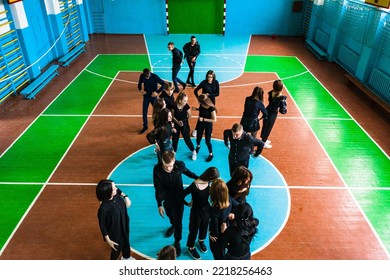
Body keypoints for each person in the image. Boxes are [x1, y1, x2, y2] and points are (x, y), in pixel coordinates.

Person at [153, 151, 198, 257]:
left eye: (170, 166)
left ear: (174, 161)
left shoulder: (180, 165)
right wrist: (159, 204)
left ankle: (177, 241)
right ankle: (173, 225)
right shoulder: (157, 170)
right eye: (166, 166)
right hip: (167, 199)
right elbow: (157, 188)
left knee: (178, 221)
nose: (168, 169)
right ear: (162, 161)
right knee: (170, 216)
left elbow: (188, 172)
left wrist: (200, 178)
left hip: (179, 197)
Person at [180, 167, 220, 259]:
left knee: (204, 227)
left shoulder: (209, 182)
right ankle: (191, 247)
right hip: (196, 212)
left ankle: (201, 240)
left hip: (206, 209)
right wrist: (188, 203)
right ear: (210, 177)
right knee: (193, 230)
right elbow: (180, 196)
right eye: (214, 179)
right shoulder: (194, 185)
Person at [96, 179, 132, 260]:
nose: (116, 188)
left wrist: (125, 197)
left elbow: (118, 190)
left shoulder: (115, 195)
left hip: (124, 224)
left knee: (126, 242)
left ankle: (126, 257)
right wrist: (108, 240)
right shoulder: (104, 208)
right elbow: (102, 225)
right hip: (116, 232)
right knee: (117, 249)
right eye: (113, 188)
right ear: (108, 192)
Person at [208, 178, 237, 260]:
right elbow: (240, 207)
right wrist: (234, 215)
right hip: (227, 228)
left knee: (218, 255)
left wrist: (211, 234)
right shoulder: (229, 199)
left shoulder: (214, 209)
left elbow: (215, 228)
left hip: (218, 237)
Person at [260, 79, 288, 148]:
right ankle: (263, 142)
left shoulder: (271, 93)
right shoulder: (281, 98)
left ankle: (263, 139)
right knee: (268, 128)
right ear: (281, 88)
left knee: (265, 126)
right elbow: (283, 111)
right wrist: (285, 105)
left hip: (267, 110)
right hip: (272, 114)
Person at [192, 70, 220, 137]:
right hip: (203, 102)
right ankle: (196, 130)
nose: (209, 78)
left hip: (211, 102)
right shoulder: (203, 83)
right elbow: (195, 91)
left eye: (211, 77)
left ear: (213, 77)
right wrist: (199, 98)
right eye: (208, 77)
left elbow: (217, 93)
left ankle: (209, 131)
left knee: (210, 116)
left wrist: (209, 95)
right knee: (201, 115)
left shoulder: (216, 82)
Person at [137, 68, 165, 134]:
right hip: (146, 96)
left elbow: (163, 84)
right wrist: (140, 90)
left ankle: (159, 126)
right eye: (146, 77)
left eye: (148, 76)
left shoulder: (155, 76)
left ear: (150, 73)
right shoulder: (142, 76)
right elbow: (139, 84)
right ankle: (145, 126)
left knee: (157, 112)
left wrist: (157, 92)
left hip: (153, 97)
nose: (147, 77)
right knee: (144, 111)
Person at [171, 91, 197, 160]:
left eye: (186, 101)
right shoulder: (174, 106)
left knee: (187, 138)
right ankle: (174, 151)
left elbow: (189, 115)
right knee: (175, 138)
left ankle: (193, 151)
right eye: (184, 101)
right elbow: (172, 116)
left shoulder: (186, 106)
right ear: (180, 100)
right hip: (176, 124)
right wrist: (178, 122)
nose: (186, 102)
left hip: (184, 124)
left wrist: (184, 121)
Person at [192, 94, 217, 162]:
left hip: (208, 125)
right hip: (200, 124)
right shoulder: (201, 105)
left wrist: (203, 119)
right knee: (198, 138)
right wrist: (196, 109)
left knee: (207, 141)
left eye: (199, 102)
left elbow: (214, 119)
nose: (198, 103)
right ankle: (198, 146)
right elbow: (201, 109)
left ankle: (211, 154)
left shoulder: (211, 108)